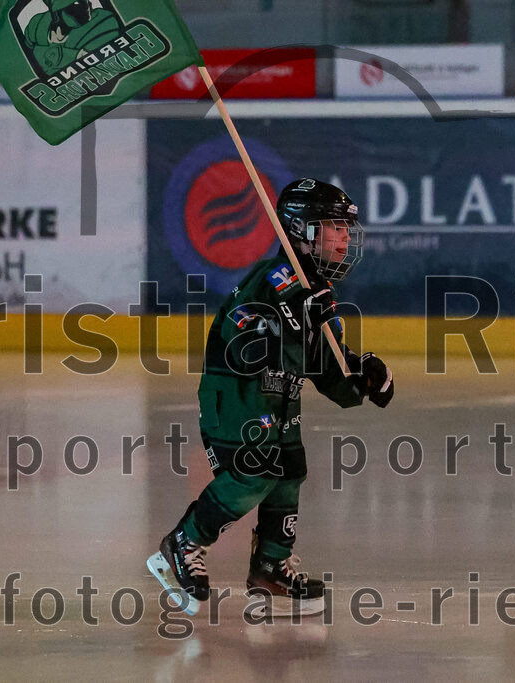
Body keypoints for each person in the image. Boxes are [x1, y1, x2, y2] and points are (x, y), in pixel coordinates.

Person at [147, 178, 395, 617]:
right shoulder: (274, 279)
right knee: (252, 472)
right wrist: (297, 319)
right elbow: (242, 344)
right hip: (237, 397)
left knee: (289, 472)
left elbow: (327, 370)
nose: (343, 239)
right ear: (301, 230)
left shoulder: (318, 293)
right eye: (332, 227)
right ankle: (182, 543)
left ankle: (270, 566)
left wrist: (363, 377)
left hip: (281, 401)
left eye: (345, 229)